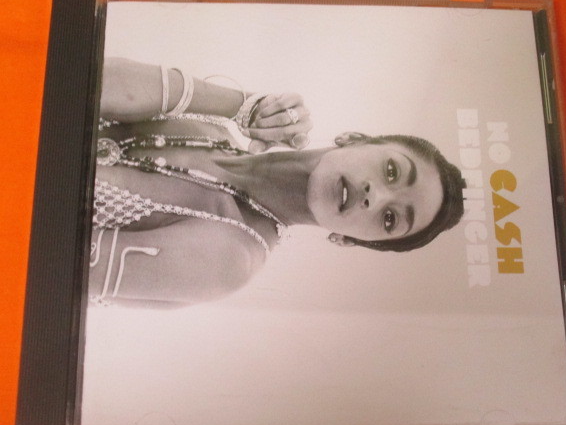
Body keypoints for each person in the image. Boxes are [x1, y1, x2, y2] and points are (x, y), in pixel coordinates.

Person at [89, 58, 465, 308]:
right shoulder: (212, 126)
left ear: (350, 240)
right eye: (392, 171)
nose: (376, 196)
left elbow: (63, 267)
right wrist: (243, 104)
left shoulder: (231, 256)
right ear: (355, 139)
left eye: (390, 219)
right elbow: (82, 75)